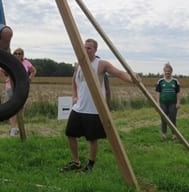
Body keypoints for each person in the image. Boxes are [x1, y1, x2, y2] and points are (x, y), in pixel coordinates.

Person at [60, 38, 139, 172]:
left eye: (89, 48)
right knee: (70, 134)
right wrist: (74, 95)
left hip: (94, 109)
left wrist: (133, 79)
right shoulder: (79, 64)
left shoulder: (101, 64)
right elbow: (74, 81)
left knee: (92, 139)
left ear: (95, 50)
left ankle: (90, 165)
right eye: (84, 47)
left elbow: (119, 73)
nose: (85, 50)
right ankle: (76, 162)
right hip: (78, 107)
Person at [2, 48, 36, 136]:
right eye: (15, 53)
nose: (17, 55)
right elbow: (0, 70)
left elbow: (33, 71)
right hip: (11, 87)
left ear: (22, 55)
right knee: (12, 108)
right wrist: (6, 79)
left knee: (21, 107)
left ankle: (19, 127)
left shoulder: (26, 63)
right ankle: (13, 128)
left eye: (19, 53)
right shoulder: (10, 62)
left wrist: (29, 79)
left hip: (22, 88)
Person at [155, 62, 181, 141]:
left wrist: (178, 102)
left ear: (171, 72)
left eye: (169, 71)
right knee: (164, 118)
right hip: (163, 103)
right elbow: (158, 92)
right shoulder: (160, 81)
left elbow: (178, 93)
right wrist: (157, 102)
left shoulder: (175, 81)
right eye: (166, 71)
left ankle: (174, 134)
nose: (167, 73)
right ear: (164, 71)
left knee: (173, 118)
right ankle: (164, 134)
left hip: (173, 103)